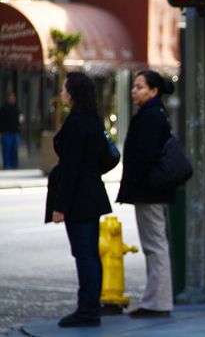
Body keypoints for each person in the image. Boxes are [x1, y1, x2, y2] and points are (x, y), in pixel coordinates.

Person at [44, 72, 112, 327]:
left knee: (84, 255)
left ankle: (87, 311)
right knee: (89, 255)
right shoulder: (93, 119)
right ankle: (89, 307)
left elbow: (71, 168)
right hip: (91, 193)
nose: (61, 94)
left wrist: (60, 206)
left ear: (72, 94)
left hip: (80, 198)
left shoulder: (77, 123)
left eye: (64, 90)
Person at [116, 70, 176, 318]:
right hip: (150, 190)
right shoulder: (152, 113)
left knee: (155, 246)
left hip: (150, 191)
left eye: (140, 87)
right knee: (154, 245)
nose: (134, 90)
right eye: (134, 86)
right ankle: (155, 300)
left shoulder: (151, 116)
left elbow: (147, 155)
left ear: (153, 91)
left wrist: (137, 179)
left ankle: (158, 302)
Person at [0, 92, 20, 169]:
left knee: (14, 149)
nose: (12, 99)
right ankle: (7, 165)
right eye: (11, 98)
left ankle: (14, 165)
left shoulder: (16, 109)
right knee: (7, 149)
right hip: (7, 132)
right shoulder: (4, 109)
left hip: (15, 132)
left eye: (13, 98)